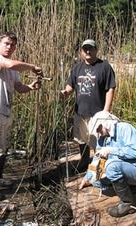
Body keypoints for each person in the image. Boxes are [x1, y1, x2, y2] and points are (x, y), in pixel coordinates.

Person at [0, 31, 43, 201]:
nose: (9, 47)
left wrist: (31, 87)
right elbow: (8, 65)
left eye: (12, 45)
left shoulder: (13, 68)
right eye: (6, 43)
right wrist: (32, 67)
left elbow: (18, 87)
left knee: (3, 147)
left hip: (6, 111)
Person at [60, 39, 116, 170]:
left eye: (91, 48)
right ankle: (85, 162)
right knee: (81, 140)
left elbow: (111, 88)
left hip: (98, 113)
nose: (88, 51)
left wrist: (106, 111)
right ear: (81, 51)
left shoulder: (104, 66)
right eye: (85, 49)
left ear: (96, 50)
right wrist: (65, 92)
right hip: (80, 111)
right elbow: (70, 85)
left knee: (99, 142)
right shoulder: (77, 68)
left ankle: (100, 169)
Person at [79, 111, 136, 217]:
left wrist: (112, 150)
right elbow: (96, 160)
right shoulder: (102, 138)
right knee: (96, 180)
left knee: (112, 166)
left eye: (98, 129)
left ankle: (128, 204)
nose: (98, 132)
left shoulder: (125, 128)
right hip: (123, 169)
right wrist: (87, 177)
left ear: (106, 123)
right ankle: (132, 190)